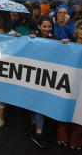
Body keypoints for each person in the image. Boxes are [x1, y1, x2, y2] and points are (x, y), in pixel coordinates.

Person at [29, 16, 68, 148]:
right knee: (31, 102)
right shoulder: (32, 38)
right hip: (32, 76)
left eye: (49, 26)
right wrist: (25, 39)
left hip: (46, 77)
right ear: (39, 26)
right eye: (44, 26)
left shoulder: (56, 39)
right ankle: (34, 124)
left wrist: (65, 45)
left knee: (41, 103)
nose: (47, 29)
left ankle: (38, 134)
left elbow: (63, 53)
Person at [56, 19, 82, 150]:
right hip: (69, 83)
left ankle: (76, 141)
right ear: (76, 31)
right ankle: (63, 138)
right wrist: (64, 46)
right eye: (81, 28)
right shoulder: (69, 44)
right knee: (66, 109)